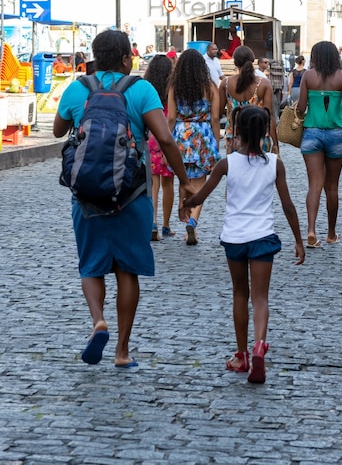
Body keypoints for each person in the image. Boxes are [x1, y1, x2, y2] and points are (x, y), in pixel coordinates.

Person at [53, 29, 193, 368]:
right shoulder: (140, 89)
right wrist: (186, 183)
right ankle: (122, 351)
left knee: (91, 264)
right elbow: (166, 140)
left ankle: (97, 320)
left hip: (86, 195)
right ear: (127, 58)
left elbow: (58, 130)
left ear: (95, 57)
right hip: (133, 193)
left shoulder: (77, 88)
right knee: (126, 270)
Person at [182, 105, 305, 384]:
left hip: (234, 239)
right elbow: (287, 206)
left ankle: (241, 355)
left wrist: (186, 204)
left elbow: (202, 194)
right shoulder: (275, 163)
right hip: (262, 237)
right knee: (260, 298)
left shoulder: (227, 164)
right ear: (264, 133)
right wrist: (298, 240)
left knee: (240, 294)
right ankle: (259, 345)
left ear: (237, 131)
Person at [297, 41, 342, 248]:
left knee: (314, 185)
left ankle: (310, 231)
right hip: (335, 134)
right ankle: (331, 233)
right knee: (332, 187)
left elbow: (301, 108)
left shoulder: (308, 76)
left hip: (311, 134)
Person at [167, 49, 221, 245]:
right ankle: (192, 221)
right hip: (203, 135)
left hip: (181, 136)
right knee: (200, 184)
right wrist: (215, 144)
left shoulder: (175, 87)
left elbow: (171, 118)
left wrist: (167, 143)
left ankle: (183, 211)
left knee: (184, 180)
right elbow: (215, 119)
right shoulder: (210, 87)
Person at [219, 45, 279, 155]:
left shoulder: (226, 84)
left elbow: (217, 113)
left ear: (235, 62)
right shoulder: (263, 84)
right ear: (252, 61)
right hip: (259, 137)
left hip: (235, 138)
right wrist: (276, 144)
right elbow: (270, 116)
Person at [144, 54, 175, 241]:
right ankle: (166, 225)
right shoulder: (172, 88)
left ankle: (152, 222)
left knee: (152, 184)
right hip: (166, 136)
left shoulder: (147, 88)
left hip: (150, 137)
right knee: (168, 184)